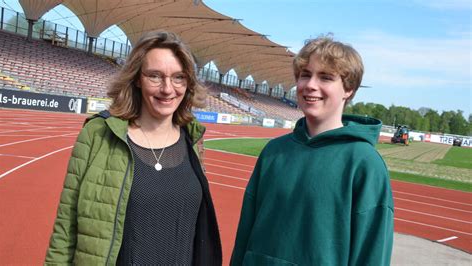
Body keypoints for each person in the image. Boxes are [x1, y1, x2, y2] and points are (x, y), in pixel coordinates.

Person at [45, 31, 222, 265]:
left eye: (178, 77)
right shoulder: (98, 133)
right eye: (155, 76)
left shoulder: (193, 140)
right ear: (137, 78)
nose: (168, 89)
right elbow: (65, 229)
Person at [231, 36, 394, 265]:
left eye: (325, 77)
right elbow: (245, 235)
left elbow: (371, 254)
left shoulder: (364, 163)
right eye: (305, 74)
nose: (310, 85)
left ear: (349, 89)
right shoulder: (274, 152)